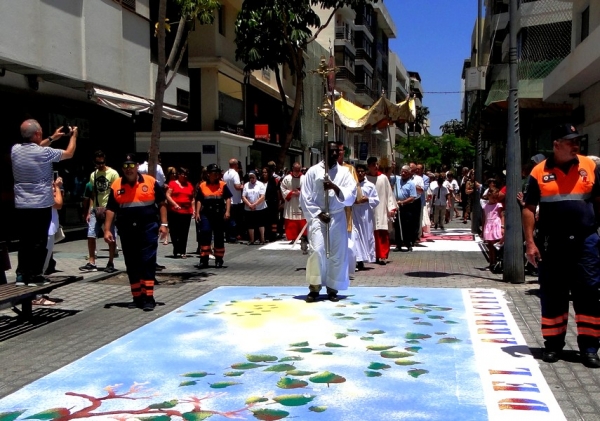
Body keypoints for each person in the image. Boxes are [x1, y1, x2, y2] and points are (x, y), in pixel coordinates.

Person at [523, 124, 600, 368]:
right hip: (552, 243)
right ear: (556, 144)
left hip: (586, 242)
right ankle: (553, 346)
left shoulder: (590, 166)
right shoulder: (538, 171)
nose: (576, 145)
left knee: (588, 294)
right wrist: (530, 243)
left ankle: (589, 349)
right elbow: (528, 207)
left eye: (577, 140)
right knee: (553, 295)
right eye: (570, 141)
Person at [12, 119, 77, 286]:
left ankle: (21, 274)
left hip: (21, 203)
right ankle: (35, 275)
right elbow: (69, 153)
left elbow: (35, 147)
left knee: (25, 240)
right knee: (39, 240)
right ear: (37, 134)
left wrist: (52, 137)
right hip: (40, 203)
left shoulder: (15, 150)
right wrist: (73, 136)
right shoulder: (45, 153)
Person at [104, 153, 168, 311]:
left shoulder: (150, 181)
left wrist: (164, 224)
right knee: (131, 264)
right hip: (127, 230)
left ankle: (148, 297)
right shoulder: (116, 185)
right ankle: (137, 297)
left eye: (131, 165)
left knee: (147, 261)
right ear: (122, 168)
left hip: (148, 228)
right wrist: (107, 229)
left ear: (137, 166)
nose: (128, 169)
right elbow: (111, 209)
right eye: (125, 166)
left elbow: (162, 202)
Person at [300, 141, 357, 303]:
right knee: (317, 251)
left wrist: (334, 187)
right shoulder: (313, 172)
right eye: (330, 151)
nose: (334, 154)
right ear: (323, 152)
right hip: (319, 217)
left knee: (337, 253)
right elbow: (305, 197)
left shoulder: (344, 173)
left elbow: (350, 195)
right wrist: (318, 213)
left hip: (337, 217)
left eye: (336, 152)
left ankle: (333, 287)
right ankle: (314, 287)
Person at [79, 151, 120, 273]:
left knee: (110, 236)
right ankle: (92, 262)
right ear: (95, 163)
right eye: (98, 163)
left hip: (108, 209)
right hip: (96, 208)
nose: (100, 165)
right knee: (91, 235)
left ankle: (111, 261)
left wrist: (114, 208)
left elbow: (116, 192)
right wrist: (89, 210)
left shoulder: (113, 173)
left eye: (102, 162)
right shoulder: (94, 175)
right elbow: (93, 194)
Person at [195, 164, 232, 268]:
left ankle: (219, 259)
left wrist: (228, 211)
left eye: (217, 173)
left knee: (219, 235)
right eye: (213, 173)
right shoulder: (202, 185)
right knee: (205, 233)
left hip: (219, 214)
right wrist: (197, 212)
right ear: (208, 174)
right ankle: (204, 258)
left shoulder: (222, 185)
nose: (216, 175)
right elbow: (199, 200)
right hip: (206, 213)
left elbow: (228, 198)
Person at [366, 157, 397, 265]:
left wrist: (391, 207)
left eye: (377, 164)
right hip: (368, 210)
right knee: (370, 233)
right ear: (369, 166)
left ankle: (383, 256)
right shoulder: (365, 178)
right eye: (373, 165)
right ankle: (373, 255)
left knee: (382, 232)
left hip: (381, 208)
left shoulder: (383, 178)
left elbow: (389, 194)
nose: (376, 166)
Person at [352, 164, 379, 270]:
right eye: (358, 171)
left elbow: (376, 200)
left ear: (365, 172)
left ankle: (363, 259)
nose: (360, 173)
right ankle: (357, 260)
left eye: (362, 171)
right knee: (355, 236)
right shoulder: (352, 184)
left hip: (365, 214)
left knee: (366, 236)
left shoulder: (370, 185)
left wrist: (367, 199)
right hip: (354, 213)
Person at [165, 167, 194, 258]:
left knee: (184, 232)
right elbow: (168, 195)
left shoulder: (189, 185)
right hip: (174, 211)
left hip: (186, 211)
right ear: (179, 175)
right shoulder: (172, 183)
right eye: (183, 174)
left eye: (186, 175)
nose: (185, 176)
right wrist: (175, 204)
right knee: (174, 231)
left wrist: (194, 210)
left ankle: (182, 251)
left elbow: (192, 199)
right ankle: (176, 248)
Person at [280, 162, 306, 242]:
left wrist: (300, 193)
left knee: (302, 219)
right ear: (292, 169)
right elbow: (283, 189)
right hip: (291, 202)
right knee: (291, 220)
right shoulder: (287, 178)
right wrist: (292, 193)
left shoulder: (304, 178)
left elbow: (309, 190)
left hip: (301, 202)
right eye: (295, 170)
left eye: (298, 170)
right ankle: (292, 237)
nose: (297, 172)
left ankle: (304, 237)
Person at [394, 165, 418, 252]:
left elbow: (412, 197)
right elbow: (388, 175)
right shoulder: (397, 179)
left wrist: (403, 202)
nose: (403, 173)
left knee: (407, 226)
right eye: (402, 171)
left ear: (409, 174)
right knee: (397, 225)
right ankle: (398, 244)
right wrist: (392, 166)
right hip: (397, 206)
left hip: (407, 207)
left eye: (405, 172)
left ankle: (408, 244)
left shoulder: (411, 183)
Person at [482, 187, 504, 271]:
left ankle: (496, 262)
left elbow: (502, 216)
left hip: (496, 225)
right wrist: (483, 229)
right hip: (488, 225)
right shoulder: (485, 206)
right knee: (490, 245)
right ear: (488, 196)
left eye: (496, 198)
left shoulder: (498, 205)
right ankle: (491, 262)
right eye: (493, 197)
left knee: (496, 245)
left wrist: (502, 226)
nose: (495, 199)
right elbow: (484, 218)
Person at [242, 171, 267, 245]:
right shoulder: (246, 185)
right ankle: (251, 240)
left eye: (253, 177)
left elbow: (262, 196)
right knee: (250, 224)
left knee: (261, 223)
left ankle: (262, 239)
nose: (251, 179)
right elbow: (243, 196)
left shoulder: (260, 184)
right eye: (250, 177)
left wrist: (254, 204)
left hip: (260, 207)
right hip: (249, 208)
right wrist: (249, 205)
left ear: (256, 177)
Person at [223, 158, 244, 243]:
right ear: (235, 165)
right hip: (235, 200)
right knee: (234, 219)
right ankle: (232, 237)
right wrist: (243, 186)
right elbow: (237, 186)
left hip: (227, 200)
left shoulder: (225, 174)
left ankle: (228, 236)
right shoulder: (235, 174)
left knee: (228, 220)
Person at [261, 166, 282, 242]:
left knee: (273, 220)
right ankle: (264, 235)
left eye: (266, 172)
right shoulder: (260, 181)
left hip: (272, 204)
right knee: (264, 220)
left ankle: (273, 235)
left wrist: (279, 202)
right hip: (262, 204)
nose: (264, 174)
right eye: (263, 172)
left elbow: (277, 192)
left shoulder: (273, 181)